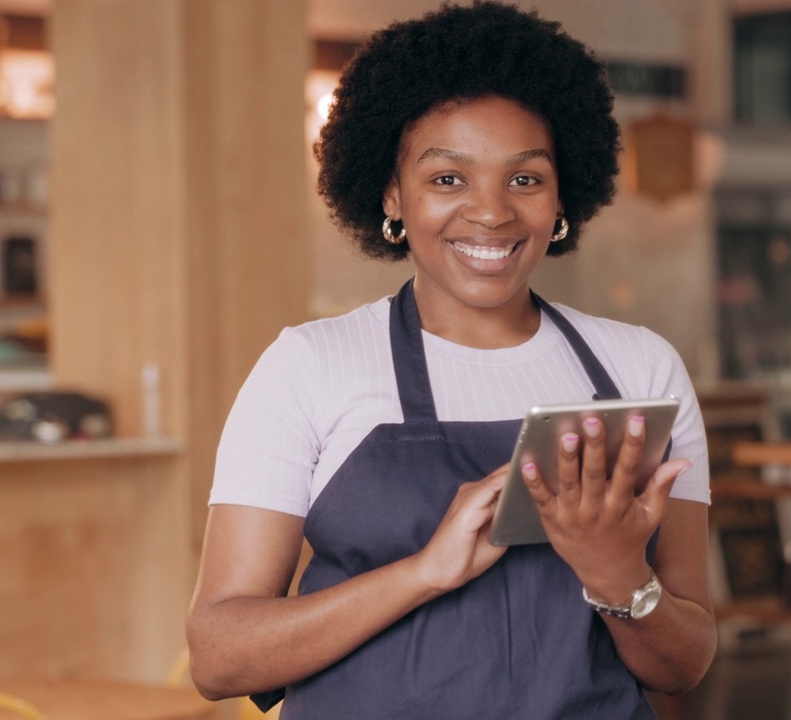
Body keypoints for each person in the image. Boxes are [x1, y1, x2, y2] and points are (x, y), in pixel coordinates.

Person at [184, 3, 716, 718]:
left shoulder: (639, 370)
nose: (492, 213)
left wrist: (617, 573)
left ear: (561, 198)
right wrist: (426, 572)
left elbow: (683, 667)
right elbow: (219, 656)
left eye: (524, 179)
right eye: (447, 179)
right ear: (391, 195)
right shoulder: (310, 367)